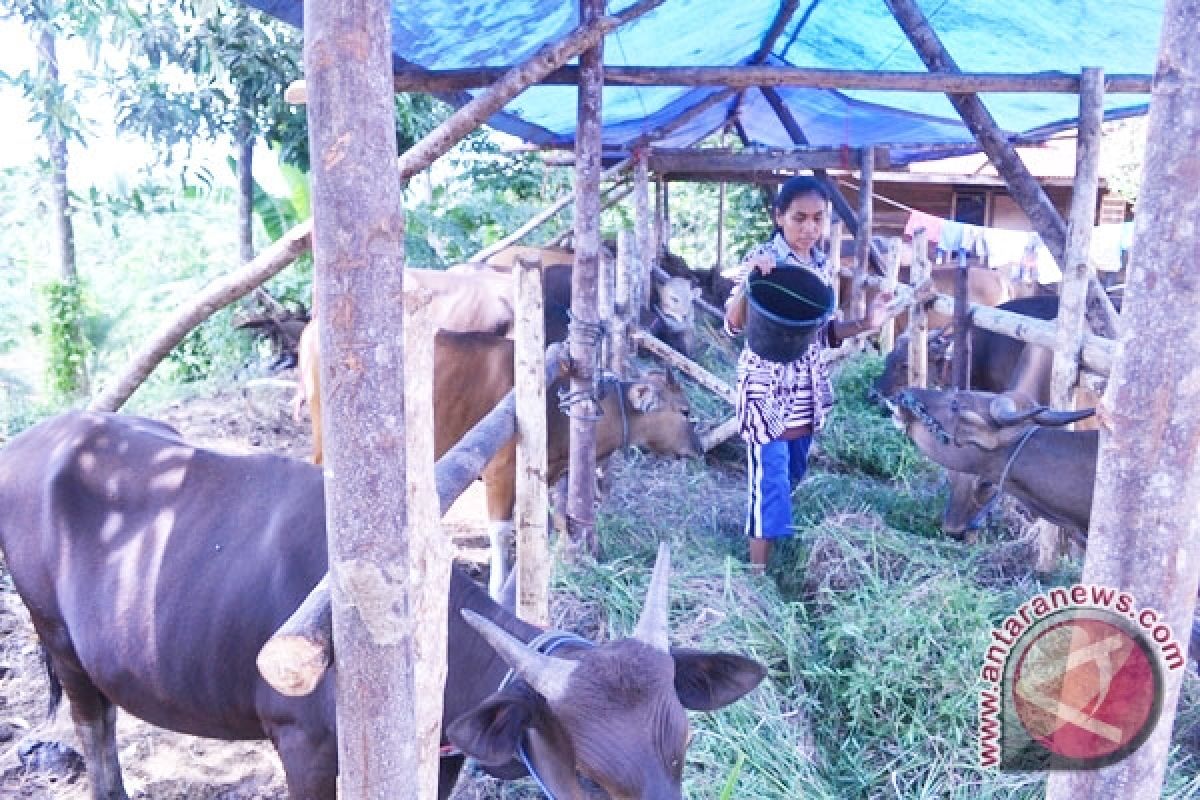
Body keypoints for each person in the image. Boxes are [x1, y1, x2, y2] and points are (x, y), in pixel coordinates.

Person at [723, 176, 891, 574]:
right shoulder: (764, 259)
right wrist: (751, 283)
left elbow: (824, 332)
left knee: (793, 470)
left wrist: (867, 322)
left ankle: (767, 537)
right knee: (771, 476)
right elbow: (732, 324)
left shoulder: (819, 266)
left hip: (804, 386)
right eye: (799, 218)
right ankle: (757, 573)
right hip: (766, 385)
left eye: (817, 219)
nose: (809, 229)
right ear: (779, 217)